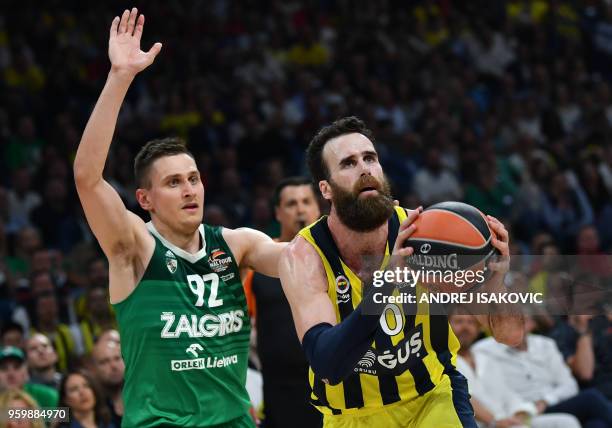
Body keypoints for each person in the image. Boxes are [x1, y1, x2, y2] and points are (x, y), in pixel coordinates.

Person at [73, 9, 284, 427]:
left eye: (193, 178)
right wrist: (120, 78)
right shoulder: (132, 246)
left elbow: (299, 258)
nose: (189, 189)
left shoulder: (237, 243)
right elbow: (86, 177)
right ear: (144, 198)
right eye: (173, 183)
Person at [279, 116, 524, 427]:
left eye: (370, 158)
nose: (365, 168)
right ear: (326, 189)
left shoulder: (427, 236)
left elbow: (510, 335)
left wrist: (496, 283)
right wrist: (388, 280)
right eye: (349, 163)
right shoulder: (305, 256)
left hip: (431, 400)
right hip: (352, 416)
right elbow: (328, 364)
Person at [243, 177, 322, 427]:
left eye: (306, 202)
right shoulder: (257, 264)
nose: (300, 209)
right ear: (277, 212)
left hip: (336, 388)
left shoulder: (339, 256)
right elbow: (235, 331)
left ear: (318, 208)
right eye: (291, 203)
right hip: (280, 396)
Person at [474, 314, 612, 427]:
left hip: (552, 404)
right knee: (591, 398)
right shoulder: (484, 350)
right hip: (523, 411)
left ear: (531, 324)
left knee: (597, 424)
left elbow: (569, 385)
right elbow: (495, 390)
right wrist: (524, 409)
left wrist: (545, 401)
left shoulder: (545, 344)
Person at [450, 308, 580, 428]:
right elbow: (461, 397)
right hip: (480, 423)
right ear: (447, 326)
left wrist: (521, 411)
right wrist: (494, 421)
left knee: (566, 422)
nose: (465, 327)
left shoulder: (483, 356)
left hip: (508, 418)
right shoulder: (443, 360)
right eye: (459, 321)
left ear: (478, 329)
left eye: (471, 323)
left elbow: (506, 391)